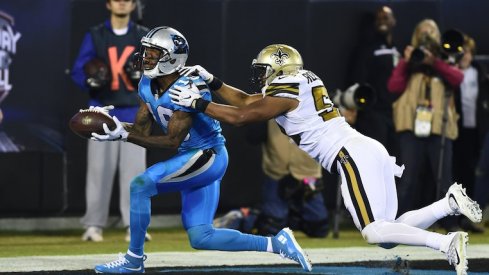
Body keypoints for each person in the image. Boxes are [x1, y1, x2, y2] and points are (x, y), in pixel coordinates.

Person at [170, 44, 483, 275]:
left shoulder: (286, 89)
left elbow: (242, 115)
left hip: (350, 154)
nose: (259, 77)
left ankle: (446, 243)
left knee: (374, 231)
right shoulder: (299, 81)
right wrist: (213, 83)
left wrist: (200, 104)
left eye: (264, 71)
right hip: (364, 148)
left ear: (280, 69)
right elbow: (247, 101)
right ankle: (448, 204)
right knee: (387, 233)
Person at [90, 27, 312, 273]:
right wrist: (114, 125)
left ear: (172, 57)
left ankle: (133, 260)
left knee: (140, 185)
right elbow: (141, 130)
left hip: (207, 156)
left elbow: (172, 141)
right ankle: (276, 243)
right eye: (146, 51)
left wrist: (125, 135)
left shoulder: (188, 87)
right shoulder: (146, 82)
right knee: (201, 236)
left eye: (153, 53)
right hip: (192, 156)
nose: (145, 57)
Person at [71, 0, 149, 242]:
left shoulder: (144, 36)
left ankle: (135, 226)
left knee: (135, 175)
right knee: (98, 172)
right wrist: (89, 81)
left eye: (128, 0)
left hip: (134, 113)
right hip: (101, 113)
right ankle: (93, 225)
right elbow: (78, 70)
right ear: (108, 3)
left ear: (134, 4)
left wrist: (144, 78)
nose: (123, 3)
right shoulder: (95, 34)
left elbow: (160, 71)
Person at [387, 19, 463, 231]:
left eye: (431, 30)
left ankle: (449, 222)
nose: (427, 34)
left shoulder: (446, 58)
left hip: (440, 126)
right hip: (411, 126)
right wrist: (406, 61)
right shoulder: (409, 59)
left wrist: (434, 63)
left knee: (443, 177)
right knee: (408, 177)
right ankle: (398, 223)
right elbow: (393, 86)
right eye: (423, 30)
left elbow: (457, 79)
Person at [215, 119, 329, 238]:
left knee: (319, 228)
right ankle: (242, 216)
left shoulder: (315, 110)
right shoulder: (271, 108)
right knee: (271, 227)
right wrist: (262, 115)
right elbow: (252, 137)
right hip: (277, 176)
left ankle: (280, 217)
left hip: (308, 178)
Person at [348, 6, 400, 157]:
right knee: (375, 158)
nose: (381, 21)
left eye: (385, 17)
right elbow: (357, 80)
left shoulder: (398, 49)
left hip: (395, 114)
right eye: (378, 18)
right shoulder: (366, 49)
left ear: (394, 21)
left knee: (395, 162)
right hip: (373, 114)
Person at [455, 34, 489, 232]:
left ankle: (471, 216)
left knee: (474, 172)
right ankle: (454, 216)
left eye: (467, 51)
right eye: (461, 51)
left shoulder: (479, 71)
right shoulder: (451, 71)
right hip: (457, 129)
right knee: (457, 173)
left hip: (478, 129)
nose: (464, 55)